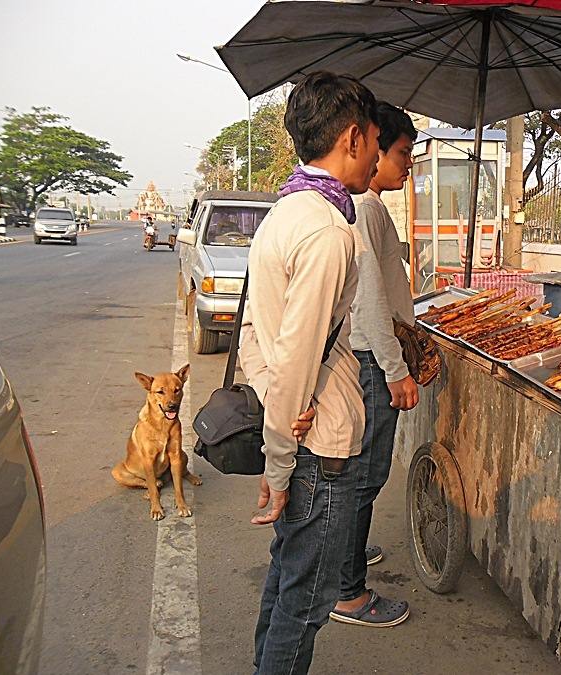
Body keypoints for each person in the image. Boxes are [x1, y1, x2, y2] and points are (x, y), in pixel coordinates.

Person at [237, 71, 379, 675]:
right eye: (375, 140)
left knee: (288, 585)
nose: (375, 156)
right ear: (352, 138)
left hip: (300, 434)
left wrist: (276, 430)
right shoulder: (325, 231)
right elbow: (296, 354)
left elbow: (256, 337)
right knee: (307, 601)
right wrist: (279, 463)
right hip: (316, 445)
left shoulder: (286, 210)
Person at [329, 103, 418, 628]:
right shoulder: (362, 206)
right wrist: (394, 367)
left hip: (372, 354)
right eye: (402, 152)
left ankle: (349, 557)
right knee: (363, 475)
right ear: (373, 147)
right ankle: (348, 592)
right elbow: (367, 300)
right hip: (369, 358)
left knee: (362, 476)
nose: (407, 164)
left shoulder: (372, 206)